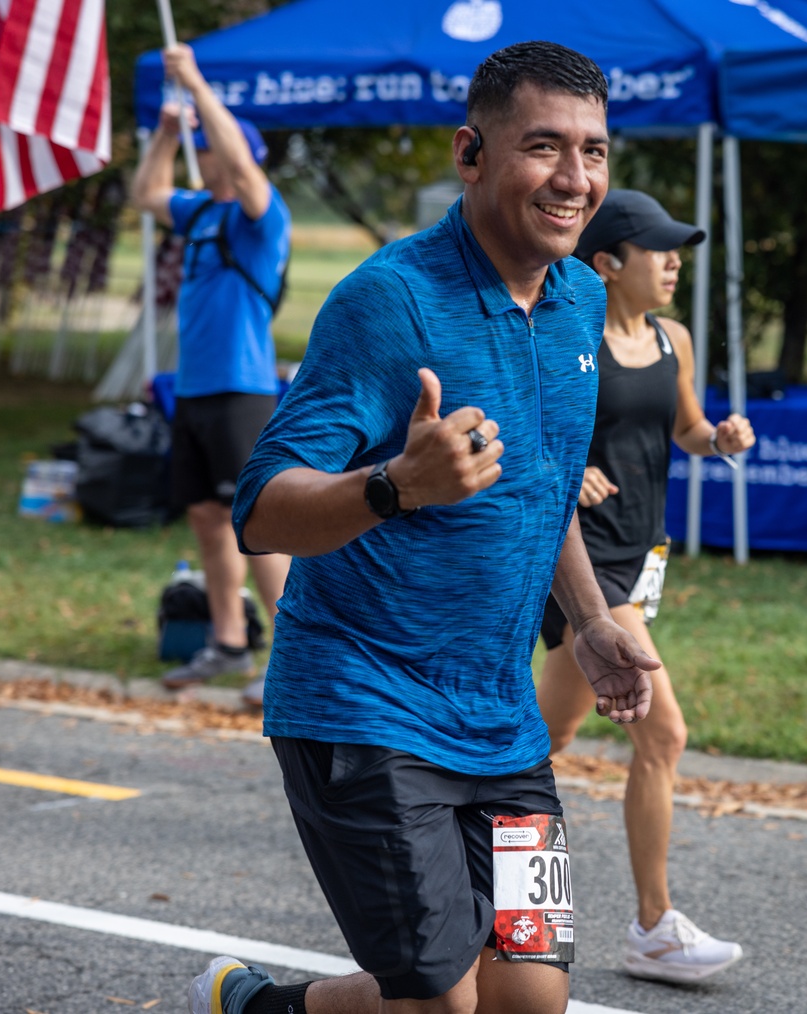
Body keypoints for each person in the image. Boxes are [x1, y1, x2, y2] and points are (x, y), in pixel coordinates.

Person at [184, 41, 664, 1014]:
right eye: (542, 147)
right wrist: (394, 486)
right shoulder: (390, 302)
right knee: (440, 1001)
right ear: (470, 154)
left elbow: (544, 483)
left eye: (595, 151)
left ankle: (265, 1008)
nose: (575, 179)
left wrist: (590, 618)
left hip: (501, 722)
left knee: (528, 999)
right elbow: (261, 509)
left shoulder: (577, 298)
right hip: (366, 706)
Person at [536, 188, 756, 985]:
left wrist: (718, 438)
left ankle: (450, 818)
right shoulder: (569, 338)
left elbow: (686, 427)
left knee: (543, 742)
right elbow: (531, 430)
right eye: (656, 250)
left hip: (642, 555)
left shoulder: (673, 339)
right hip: (583, 567)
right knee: (662, 735)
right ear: (607, 263)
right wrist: (575, 469)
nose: (671, 263)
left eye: (676, 250)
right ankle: (655, 926)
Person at [130, 44, 291, 704]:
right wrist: (168, 135)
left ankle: (291, 656)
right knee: (206, 517)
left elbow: (249, 176)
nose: (215, 157)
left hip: (241, 391)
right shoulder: (200, 212)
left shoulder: (262, 218)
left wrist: (195, 84)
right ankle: (228, 642)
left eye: (223, 150)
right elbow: (146, 193)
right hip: (193, 391)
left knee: (258, 526)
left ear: (237, 155)